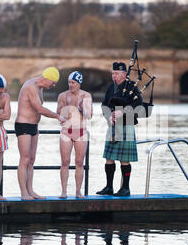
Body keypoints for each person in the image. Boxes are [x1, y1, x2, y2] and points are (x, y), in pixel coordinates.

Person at [15, 67, 66, 200]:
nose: (53, 85)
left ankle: (30, 190)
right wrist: (57, 117)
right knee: (24, 159)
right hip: (23, 125)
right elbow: (39, 108)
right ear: (47, 78)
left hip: (33, 126)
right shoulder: (30, 86)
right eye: (53, 82)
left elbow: (39, 108)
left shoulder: (40, 87)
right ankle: (23, 193)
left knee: (31, 160)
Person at [96, 62, 143, 197]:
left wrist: (123, 112)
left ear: (124, 74)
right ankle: (109, 187)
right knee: (109, 157)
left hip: (127, 123)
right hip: (112, 125)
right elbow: (104, 105)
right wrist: (108, 117)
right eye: (113, 73)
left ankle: (125, 188)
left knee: (124, 158)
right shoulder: (111, 87)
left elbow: (138, 105)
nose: (113, 76)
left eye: (116, 73)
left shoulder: (132, 87)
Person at [57, 71, 93, 199]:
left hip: (81, 131)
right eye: (69, 82)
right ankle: (63, 191)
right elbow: (58, 114)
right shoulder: (62, 96)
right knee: (65, 162)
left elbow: (89, 116)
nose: (71, 85)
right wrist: (65, 112)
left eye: (73, 83)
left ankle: (78, 192)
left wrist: (81, 106)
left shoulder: (86, 96)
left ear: (79, 83)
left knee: (79, 162)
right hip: (67, 131)